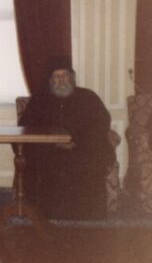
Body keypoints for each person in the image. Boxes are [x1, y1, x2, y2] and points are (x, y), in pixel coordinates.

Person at [20, 56, 115, 220]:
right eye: (56, 77)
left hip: (82, 150)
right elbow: (26, 127)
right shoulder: (39, 100)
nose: (61, 80)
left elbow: (101, 124)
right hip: (49, 151)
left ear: (72, 77)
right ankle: (46, 218)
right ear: (50, 81)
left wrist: (76, 142)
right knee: (42, 166)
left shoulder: (88, 97)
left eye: (64, 75)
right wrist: (52, 143)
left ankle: (87, 218)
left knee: (88, 164)